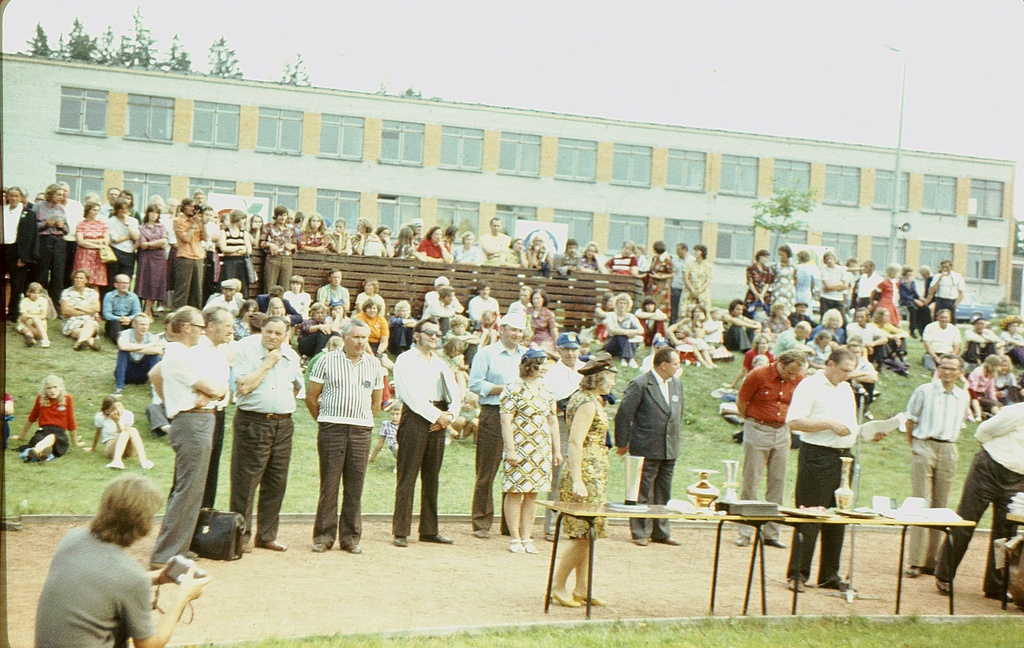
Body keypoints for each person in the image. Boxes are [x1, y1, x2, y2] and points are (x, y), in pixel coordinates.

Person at [34, 474, 211, 648]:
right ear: (143, 525)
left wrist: (156, 577)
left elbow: (102, 582)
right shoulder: (131, 576)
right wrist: (183, 597)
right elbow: (150, 646)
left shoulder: (73, 539)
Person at [785, 348, 882, 593]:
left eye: (851, 371)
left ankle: (829, 574)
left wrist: (868, 433)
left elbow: (848, 427)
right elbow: (794, 421)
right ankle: (798, 573)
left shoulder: (846, 389)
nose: (848, 376)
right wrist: (828, 424)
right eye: (844, 370)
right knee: (809, 515)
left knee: (838, 517)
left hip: (843, 457)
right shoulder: (809, 386)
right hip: (817, 455)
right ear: (829, 364)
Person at [149, 306, 230, 569]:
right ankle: (164, 555)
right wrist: (178, 403)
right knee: (186, 491)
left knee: (193, 490)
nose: (200, 331)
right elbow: (216, 388)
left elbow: (217, 390)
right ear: (186, 328)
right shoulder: (180, 354)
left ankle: (178, 549)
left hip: (199, 420)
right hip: (193, 421)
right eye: (197, 327)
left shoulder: (183, 353)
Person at [935, 401, 1024, 599]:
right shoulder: (1015, 412)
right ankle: (944, 575)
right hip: (988, 470)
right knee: (965, 522)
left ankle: (996, 585)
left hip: (1018, 480)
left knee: (1006, 533)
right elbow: (983, 431)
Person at [231, 316, 303, 553]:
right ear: (262, 330)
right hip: (253, 423)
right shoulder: (247, 351)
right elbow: (243, 387)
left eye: (278, 333)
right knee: (246, 482)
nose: (272, 337)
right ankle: (240, 537)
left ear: (286, 336)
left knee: (276, 482)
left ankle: (267, 535)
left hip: (283, 424)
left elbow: (296, 386)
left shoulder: (291, 356)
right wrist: (268, 363)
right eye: (268, 331)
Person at [550, 355, 617, 608]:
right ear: (599, 377)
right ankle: (558, 585)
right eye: (610, 376)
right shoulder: (587, 403)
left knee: (590, 533)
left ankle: (582, 588)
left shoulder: (589, 399)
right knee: (581, 534)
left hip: (595, 472)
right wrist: (578, 479)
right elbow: (575, 442)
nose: (612, 382)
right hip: (585, 473)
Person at [391, 318, 462, 547]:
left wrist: (449, 416)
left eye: (437, 334)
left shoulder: (440, 363)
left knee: (432, 476)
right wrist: (436, 416)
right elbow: (410, 395)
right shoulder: (405, 360)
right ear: (416, 335)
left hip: (439, 420)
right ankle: (401, 530)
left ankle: (429, 530)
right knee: (407, 475)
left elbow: (455, 392)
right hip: (415, 418)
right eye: (429, 332)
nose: (433, 337)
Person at [899, 354, 971, 579]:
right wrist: (916, 445)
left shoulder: (962, 396)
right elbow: (910, 420)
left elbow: (960, 425)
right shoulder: (924, 390)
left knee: (941, 504)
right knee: (921, 501)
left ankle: (931, 562)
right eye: (943, 367)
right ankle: (915, 561)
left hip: (948, 448)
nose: (947, 372)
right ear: (938, 369)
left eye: (952, 368)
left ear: (960, 373)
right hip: (924, 445)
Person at [734, 350, 808, 548]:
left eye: (796, 374)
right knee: (752, 480)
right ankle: (745, 531)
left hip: (782, 430)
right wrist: (753, 421)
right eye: (790, 372)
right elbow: (741, 402)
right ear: (780, 364)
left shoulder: (799, 379)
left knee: (778, 480)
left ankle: (771, 532)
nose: (793, 377)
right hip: (758, 427)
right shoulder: (758, 375)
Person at [614, 347, 684, 546]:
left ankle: (661, 531)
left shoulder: (677, 384)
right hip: (645, 446)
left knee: (664, 491)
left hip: (669, 447)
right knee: (642, 490)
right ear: (663, 365)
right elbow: (624, 414)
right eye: (676, 363)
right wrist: (622, 442)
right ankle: (640, 531)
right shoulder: (640, 384)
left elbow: (678, 415)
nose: (679, 367)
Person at [468, 311, 527, 539]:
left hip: (520, 416)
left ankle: (509, 523)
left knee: (516, 469)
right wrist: (506, 389)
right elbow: (475, 384)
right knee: (487, 469)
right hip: (493, 412)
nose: (517, 334)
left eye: (520, 330)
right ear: (501, 330)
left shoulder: (527, 354)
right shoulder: (487, 354)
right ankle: (481, 522)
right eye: (513, 329)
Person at [501, 348, 561, 554]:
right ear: (529, 365)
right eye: (540, 363)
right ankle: (515, 538)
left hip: (540, 449)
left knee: (533, 493)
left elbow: (552, 421)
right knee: (515, 491)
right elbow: (506, 420)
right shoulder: (512, 389)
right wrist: (510, 449)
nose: (544, 367)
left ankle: (527, 536)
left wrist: (556, 450)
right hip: (519, 446)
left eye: (545, 364)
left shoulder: (548, 391)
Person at [541, 332, 586, 541]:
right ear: (558, 350)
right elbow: (548, 405)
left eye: (573, 349)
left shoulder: (585, 370)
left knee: (580, 473)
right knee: (559, 474)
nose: (570, 353)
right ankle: (551, 526)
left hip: (583, 424)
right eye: (566, 349)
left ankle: (576, 524)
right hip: (561, 423)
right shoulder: (552, 374)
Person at [12, 374, 80, 462]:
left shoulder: (67, 399)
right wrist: (20, 437)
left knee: (52, 437)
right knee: (41, 440)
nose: (52, 390)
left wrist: (76, 443)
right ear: (45, 390)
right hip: (43, 432)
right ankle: (41, 455)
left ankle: (34, 451)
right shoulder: (40, 398)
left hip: (59, 435)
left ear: (60, 388)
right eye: (49, 388)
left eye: (55, 387)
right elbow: (32, 418)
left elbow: (71, 423)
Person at [89, 394, 154, 470]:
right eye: (114, 408)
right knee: (124, 433)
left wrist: (117, 422)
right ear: (107, 410)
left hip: (128, 447)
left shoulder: (127, 414)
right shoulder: (100, 417)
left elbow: (126, 433)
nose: (118, 410)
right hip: (112, 446)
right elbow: (98, 433)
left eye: (120, 406)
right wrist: (93, 448)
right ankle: (116, 461)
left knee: (132, 430)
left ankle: (144, 461)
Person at [35, 183, 69, 304]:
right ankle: (40, 302)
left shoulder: (60, 208)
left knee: (58, 273)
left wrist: (62, 226)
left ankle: (56, 304)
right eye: (58, 194)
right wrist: (45, 224)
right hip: (44, 240)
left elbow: (67, 229)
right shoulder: (38, 206)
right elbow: (32, 226)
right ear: (50, 194)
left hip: (58, 241)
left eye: (62, 194)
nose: (61, 196)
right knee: (42, 272)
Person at [114, 313, 163, 394]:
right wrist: (148, 346)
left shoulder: (151, 336)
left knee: (155, 355)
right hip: (127, 373)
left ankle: (155, 389)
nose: (144, 327)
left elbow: (159, 351)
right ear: (134, 324)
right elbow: (123, 346)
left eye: (147, 325)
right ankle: (119, 387)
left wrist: (132, 348)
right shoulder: (126, 333)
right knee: (123, 352)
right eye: (142, 324)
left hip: (142, 375)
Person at [137, 203, 169, 317]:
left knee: (155, 283)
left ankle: (148, 309)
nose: (153, 215)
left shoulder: (162, 227)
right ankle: (146, 310)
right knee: (145, 282)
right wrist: (156, 243)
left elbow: (164, 242)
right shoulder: (141, 227)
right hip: (145, 257)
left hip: (159, 258)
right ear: (147, 213)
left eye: (156, 213)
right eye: (151, 212)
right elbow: (142, 244)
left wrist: (150, 243)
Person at [171, 199, 203, 309]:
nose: (193, 209)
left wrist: (203, 222)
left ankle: (194, 313)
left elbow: (206, 238)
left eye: (195, 207)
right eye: (190, 206)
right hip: (185, 256)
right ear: (184, 207)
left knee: (197, 289)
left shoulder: (197, 220)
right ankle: (178, 313)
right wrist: (194, 225)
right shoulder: (178, 220)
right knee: (182, 288)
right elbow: (185, 238)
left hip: (198, 256)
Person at [61, 268, 102, 350]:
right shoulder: (67, 292)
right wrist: (88, 311)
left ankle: (79, 342)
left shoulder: (92, 292)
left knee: (92, 324)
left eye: (81, 278)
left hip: (89, 321)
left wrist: (79, 307)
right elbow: (65, 311)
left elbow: (97, 308)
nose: (78, 280)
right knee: (77, 330)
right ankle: (90, 341)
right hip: (72, 320)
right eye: (76, 278)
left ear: (86, 280)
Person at [73, 201, 109, 288]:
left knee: (95, 282)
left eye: (97, 210)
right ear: (88, 211)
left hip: (98, 256)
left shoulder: (102, 224)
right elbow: (80, 241)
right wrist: (98, 244)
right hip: (84, 255)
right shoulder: (81, 224)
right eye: (94, 210)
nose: (96, 212)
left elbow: (107, 241)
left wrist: (88, 240)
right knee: (83, 280)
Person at [602, 293, 643, 368]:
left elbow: (641, 330)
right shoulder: (611, 315)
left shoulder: (631, 317)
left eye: (624, 303)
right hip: (612, 344)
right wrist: (626, 332)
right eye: (620, 303)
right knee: (621, 335)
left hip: (624, 344)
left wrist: (632, 332)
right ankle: (630, 358)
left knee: (626, 335)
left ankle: (625, 358)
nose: (622, 305)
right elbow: (612, 330)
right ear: (616, 304)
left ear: (628, 305)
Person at [260, 205, 297, 290]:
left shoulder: (290, 228)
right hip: (273, 258)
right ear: (276, 216)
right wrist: (270, 244)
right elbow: (261, 242)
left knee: (285, 286)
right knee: (270, 285)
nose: (283, 217)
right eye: (280, 215)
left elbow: (295, 244)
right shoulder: (268, 226)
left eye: (285, 215)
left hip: (286, 258)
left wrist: (292, 246)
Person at [106, 198, 140, 283]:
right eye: (121, 209)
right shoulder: (111, 221)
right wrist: (129, 236)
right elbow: (115, 239)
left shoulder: (133, 221)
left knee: (127, 278)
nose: (124, 211)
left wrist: (127, 224)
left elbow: (136, 237)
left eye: (126, 208)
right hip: (115, 251)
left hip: (129, 253)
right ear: (117, 210)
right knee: (113, 279)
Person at [102, 274, 143, 343]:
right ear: (116, 285)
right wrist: (120, 319)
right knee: (116, 326)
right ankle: (120, 341)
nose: (125, 285)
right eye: (122, 283)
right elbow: (106, 314)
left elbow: (137, 312)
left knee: (138, 323)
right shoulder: (109, 296)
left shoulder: (133, 296)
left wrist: (129, 318)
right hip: (114, 320)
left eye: (127, 283)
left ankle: (136, 339)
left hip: (129, 319)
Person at [679, 243, 711, 318]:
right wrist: (692, 290)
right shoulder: (689, 264)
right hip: (689, 292)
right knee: (685, 313)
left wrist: (699, 291)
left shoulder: (707, 266)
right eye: (695, 251)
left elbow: (708, 280)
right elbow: (685, 278)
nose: (695, 253)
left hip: (702, 293)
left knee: (702, 313)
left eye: (698, 251)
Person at [818, 251, 850, 326]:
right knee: (824, 320)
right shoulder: (823, 270)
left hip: (838, 298)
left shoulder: (841, 270)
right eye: (827, 259)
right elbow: (827, 286)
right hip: (826, 298)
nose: (829, 261)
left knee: (843, 321)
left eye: (830, 258)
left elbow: (845, 285)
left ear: (834, 259)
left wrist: (831, 288)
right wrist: (839, 285)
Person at [16, 282, 51, 348]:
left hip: (39, 324)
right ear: (29, 292)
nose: (36, 295)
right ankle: (30, 339)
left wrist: (33, 318)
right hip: (26, 323)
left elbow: (43, 316)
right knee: (26, 330)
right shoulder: (24, 301)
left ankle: (45, 339)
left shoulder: (43, 300)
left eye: (38, 293)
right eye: (34, 293)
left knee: (35, 318)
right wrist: (30, 320)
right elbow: (23, 316)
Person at [642, 240, 674, 312]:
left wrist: (660, 276)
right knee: (650, 304)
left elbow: (672, 273)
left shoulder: (667, 259)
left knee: (661, 306)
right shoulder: (655, 258)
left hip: (662, 287)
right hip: (652, 285)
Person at [899, 265, 930, 339]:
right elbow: (903, 295)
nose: (910, 274)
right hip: (905, 300)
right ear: (905, 273)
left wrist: (920, 298)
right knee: (913, 308)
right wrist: (914, 300)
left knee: (925, 308)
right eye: (909, 272)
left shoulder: (912, 281)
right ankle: (912, 329)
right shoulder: (901, 282)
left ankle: (924, 330)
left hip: (913, 298)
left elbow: (914, 292)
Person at [369, 400, 402, 466]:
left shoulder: (405, 424)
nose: (394, 417)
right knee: (397, 448)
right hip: (395, 445)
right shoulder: (386, 424)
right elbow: (380, 443)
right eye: (392, 414)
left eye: (397, 414)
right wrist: (372, 458)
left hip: (406, 445)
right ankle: (399, 465)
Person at [744, 249, 774, 321]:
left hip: (764, 294)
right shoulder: (751, 268)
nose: (766, 260)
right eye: (765, 257)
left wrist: (762, 294)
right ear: (760, 257)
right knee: (750, 311)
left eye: (767, 258)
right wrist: (756, 294)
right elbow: (750, 282)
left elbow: (768, 282)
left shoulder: (767, 270)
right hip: (753, 293)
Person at [528, 289, 559, 354]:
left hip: (544, 340)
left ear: (543, 299)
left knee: (542, 351)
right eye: (534, 299)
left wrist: (557, 344)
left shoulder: (548, 314)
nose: (536, 301)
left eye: (538, 298)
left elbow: (553, 330)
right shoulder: (527, 311)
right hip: (529, 339)